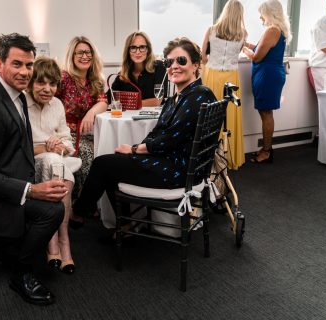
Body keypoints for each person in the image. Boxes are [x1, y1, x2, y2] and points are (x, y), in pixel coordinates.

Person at [0, 33, 67, 306]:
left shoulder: (17, 95)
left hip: (11, 188)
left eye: (29, 65)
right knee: (53, 210)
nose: (25, 72)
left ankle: (10, 251)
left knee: (54, 205)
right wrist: (32, 190)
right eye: (17, 64)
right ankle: (20, 274)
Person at [72, 38, 216, 219]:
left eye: (181, 60)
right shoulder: (177, 97)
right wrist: (137, 149)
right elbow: (158, 132)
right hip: (175, 163)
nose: (174, 66)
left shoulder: (199, 95)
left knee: (102, 164)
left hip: (180, 171)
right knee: (114, 161)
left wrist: (135, 149)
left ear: (195, 65)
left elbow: (169, 139)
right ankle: (124, 222)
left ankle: (78, 214)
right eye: (169, 62)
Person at [25, 57, 82, 274]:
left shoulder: (57, 105)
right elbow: (19, 150)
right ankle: (56, 241)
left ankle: (60, 239)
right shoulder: (21, 105)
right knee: (55, 165)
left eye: (53, 84)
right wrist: (46, 149)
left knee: (57, 166)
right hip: (31, 162)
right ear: (31, 82)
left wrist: (58, 144)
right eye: (41, 83)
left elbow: (68, 143)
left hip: (55, 160)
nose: (48, 89)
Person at [55, 36, 107, 227]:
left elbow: (103, 101)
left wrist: (91, 113)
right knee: (89, 155)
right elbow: (48, 101)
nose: (85, 56)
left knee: (108, 152)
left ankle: (93, 203)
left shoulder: (96, 79)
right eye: (80, 52)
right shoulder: (63, 78)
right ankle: (76, 207)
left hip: (89, 131)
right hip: (66, 133)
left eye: (88, 52)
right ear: (72, 55)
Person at [243, 0, 291, 163]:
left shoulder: (272, 30)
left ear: (269, 13)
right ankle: (267, 149)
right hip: (270, 74)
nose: (259, 17)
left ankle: (266, 151)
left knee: (266, 113)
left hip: (267, 75)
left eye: (261, 13)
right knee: (266, 112)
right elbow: (260, 48)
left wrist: (245, 50)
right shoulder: (278, 30)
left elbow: (257, 57)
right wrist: (246, 43)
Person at [202, 0, 247, 169]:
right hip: (232, 78)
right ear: (240, 15)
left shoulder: (211, 30)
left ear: (224, 12)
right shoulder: (243, 34)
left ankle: (208, 158)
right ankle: (228, 158)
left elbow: (203, 57)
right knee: (229, 116)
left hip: (213, 75)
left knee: (210, 115)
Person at [107, 31, 167, 107]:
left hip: (154, 118)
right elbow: (108, 98)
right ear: (128, 51)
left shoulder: (159, 67)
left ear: (148, 49)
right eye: (133, 47)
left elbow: (157, 101)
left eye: (142, 47)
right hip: (128, 118)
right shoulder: (123, 74)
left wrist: (127, 103)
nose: (138, 52)